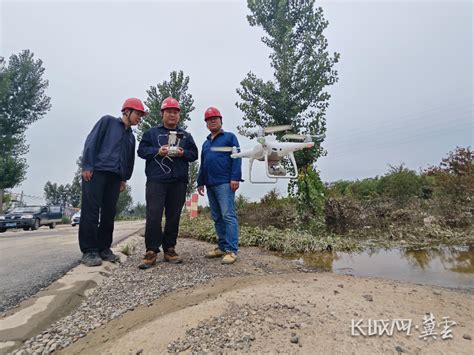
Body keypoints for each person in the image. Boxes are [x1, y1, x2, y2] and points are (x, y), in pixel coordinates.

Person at [79, 98, 146, 267]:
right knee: (91, 211)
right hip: (96, 172)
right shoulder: (107, 122)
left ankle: (104, 248)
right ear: (127, 111)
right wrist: (87, 165)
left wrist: (124, 178)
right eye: (138, 114)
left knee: (109, 214)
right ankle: (89, 250)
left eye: (141, 115)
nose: (140, 118)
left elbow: (129, 159)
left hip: (115, 178)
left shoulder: (131, 137)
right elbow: (91, 142)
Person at [137, 97, 198, 269]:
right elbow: (141, 151)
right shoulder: (151, 133)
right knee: (154, 215)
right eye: (169, 111)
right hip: (156, 180)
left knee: (173, 216)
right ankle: (151, 251)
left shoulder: (186, 136)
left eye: (175, 112)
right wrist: (158, 150)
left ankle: (169, 248)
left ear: (179, 115)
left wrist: (182, 152)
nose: (172, 114)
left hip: (178, 180)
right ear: (162, 113)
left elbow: (194, 154)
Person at [197, 107, 242, 264]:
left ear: (221, 120)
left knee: (228, 215)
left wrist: (235, 178)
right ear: (206, 124)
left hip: (225, 183)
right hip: (210, 184)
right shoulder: (205, 143)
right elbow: (203, 163)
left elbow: (237, 157)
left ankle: (231, 250)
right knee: (217, 217)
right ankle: (222, 247)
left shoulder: (230, 138)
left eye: (215, 118)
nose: (213, 120)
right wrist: (200, 181)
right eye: (209, 119)